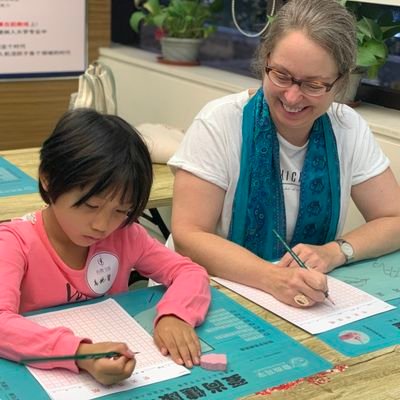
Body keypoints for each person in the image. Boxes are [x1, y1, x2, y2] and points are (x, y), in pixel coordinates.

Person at [168, 0, 400, 309]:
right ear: (265, 61)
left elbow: (394, 218)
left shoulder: (348, 129)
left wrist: (335, 251)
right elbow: (188, 235)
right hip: (208, 286)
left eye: (314, 85)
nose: (292, 97)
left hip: (297, 298)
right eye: (281, 75)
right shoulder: (220, 123)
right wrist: (272, 277)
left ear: (340, 82)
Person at [0, 109, 210, 385]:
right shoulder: (15, 243)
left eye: (121, 210)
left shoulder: (125, 236)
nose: (102, 225)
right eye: (91, 206)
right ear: (48, 178)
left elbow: (188, 272)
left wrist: (175, 314)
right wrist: (79, 354)